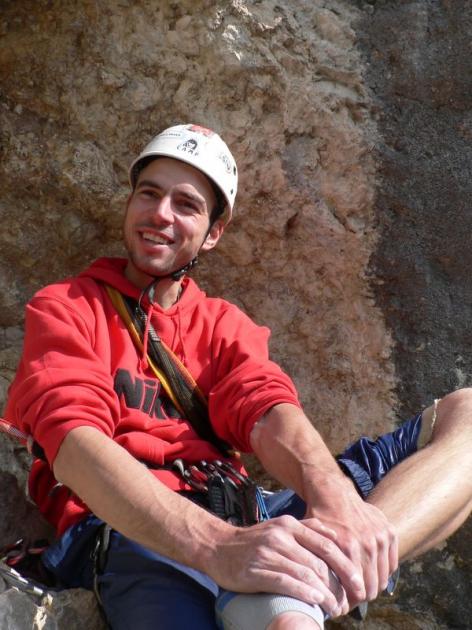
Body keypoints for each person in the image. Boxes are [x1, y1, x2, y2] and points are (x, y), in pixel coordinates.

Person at [4, 123, 472, 630]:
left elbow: (267, 411)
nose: (161, 213)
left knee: (466, 414)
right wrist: (218, 547)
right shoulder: (68, 307)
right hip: (139, 533)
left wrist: (335, 500)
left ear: (213, 233)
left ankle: (336, 568)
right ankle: (306, 588)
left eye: (186, 204)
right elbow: (74, 446)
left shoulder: (221, 324)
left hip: (250, 515)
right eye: (149, 194)